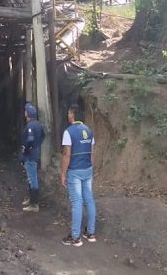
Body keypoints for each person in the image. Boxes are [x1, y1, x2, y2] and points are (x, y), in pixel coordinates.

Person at [59, 103, 96, 246]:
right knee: (89, 199)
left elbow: (67, 155)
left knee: (76, 202)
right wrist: (91, 168)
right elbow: (92, 153)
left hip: (74, 171)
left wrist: (62, 173)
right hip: (87, 169)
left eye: (69, 113)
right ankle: (90, 233)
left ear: (73, 114)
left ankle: (75, 237)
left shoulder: (69, 132)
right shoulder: (89, 130)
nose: (67, 115)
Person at [20, 102, 45, 212]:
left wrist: (27, 149)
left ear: (27, 114)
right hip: (35, 152)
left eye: (25, 111)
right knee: (30, 177)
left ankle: (34, 204)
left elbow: (30, 139)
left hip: (30, 155)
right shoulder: (38, 124)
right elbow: (44, 135)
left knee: (32, 178)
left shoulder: (30, 125)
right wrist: (37, 145)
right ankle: (31, 200)